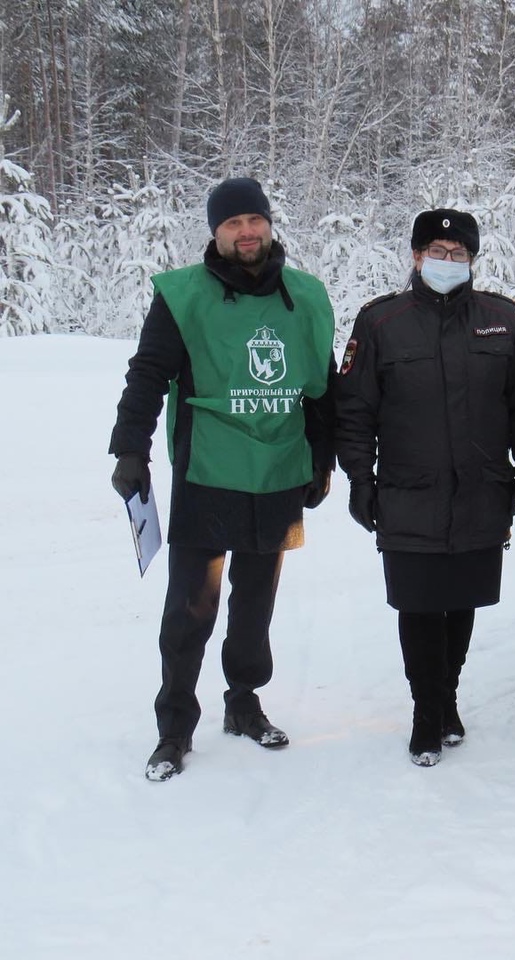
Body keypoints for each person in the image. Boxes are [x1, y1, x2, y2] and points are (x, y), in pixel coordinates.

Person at [109, 176, 337, 782]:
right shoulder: (182, 295)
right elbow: (147, 373)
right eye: (232, 223)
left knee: (256, 602)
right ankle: (174, 728)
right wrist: (129, 448)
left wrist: (324, 457)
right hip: (207, 469)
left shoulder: (305, 296)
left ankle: (244, 704)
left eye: (253, 220)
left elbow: (322, 387)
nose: (245, 232)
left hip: (280, 467)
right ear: (215, 231)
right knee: (190, 608)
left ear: (268, 223)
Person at [333, 209, 515, 768]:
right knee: (419, 605)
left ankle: (446, 696)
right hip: (409, 491)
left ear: (473, 260)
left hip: (481, 491)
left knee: (461, 601)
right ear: (414, 255)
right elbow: (354, 408)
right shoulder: (381, 322)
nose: (447, 261)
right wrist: (360, 477)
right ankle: (426, 713)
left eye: (458, 253)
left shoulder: (502, 319)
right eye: (436, 250)